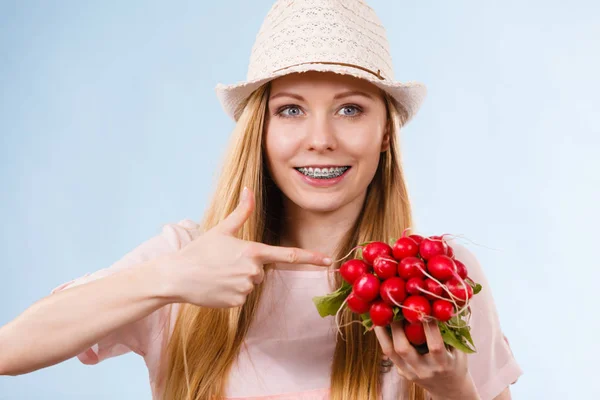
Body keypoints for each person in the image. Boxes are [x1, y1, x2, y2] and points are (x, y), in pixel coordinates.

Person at [0, 0, 523, 399]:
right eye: (291, 110)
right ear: (261, 131)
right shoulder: (188, 257)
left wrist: (455, 392)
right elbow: (10, 351)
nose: (321, 139)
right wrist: (169, 278)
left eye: (351, 110)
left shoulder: (434, 281)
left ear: (386, 134)